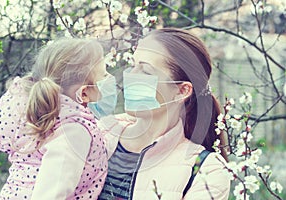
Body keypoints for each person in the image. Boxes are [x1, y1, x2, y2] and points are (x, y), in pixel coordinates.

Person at [98, 28, 230, 200]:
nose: (131, 75)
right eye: (133, 66)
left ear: (182, 91)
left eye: (145, 71)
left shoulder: (206, 171)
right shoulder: (99, 133)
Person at [0, 38, 117, 199]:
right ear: (84, 93)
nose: (110, 78)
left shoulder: (41, 114)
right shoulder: (73, 132)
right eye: (104, 74)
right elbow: (52, 193)